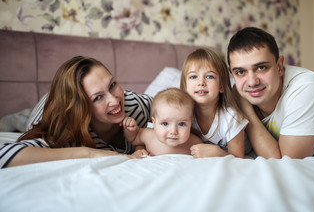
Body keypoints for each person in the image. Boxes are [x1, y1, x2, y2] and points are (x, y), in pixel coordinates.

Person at [227, 27, 314, 159]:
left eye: (261, 68)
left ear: (279, 67)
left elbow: (287, 160)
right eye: (240, 72)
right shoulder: (229, 91)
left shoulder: (308, 89)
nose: (251, 82)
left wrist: (246, 111)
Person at [0, 56, 152, 169]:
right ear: (81, 108)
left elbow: (173, 103)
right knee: (27, 122)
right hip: (51, 107)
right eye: (98, 97)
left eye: (112, 84)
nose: (115, 100)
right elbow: (5, 154)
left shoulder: (133, 105)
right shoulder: (65, 130)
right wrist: (89, 153)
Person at [180, 48, 251, 158]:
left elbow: (238, 157)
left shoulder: (230, 117)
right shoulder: (183, 115)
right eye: (193, 76)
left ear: (221, 86)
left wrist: (218, 154)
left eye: (209, 76)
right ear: (185, 87)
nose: (201, 83)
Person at [122, 88, 202, 155]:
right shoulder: (149, 136)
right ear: (154, 123)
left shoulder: (195, 142)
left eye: (181, 124)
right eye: (165, 123)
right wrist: (130, 129)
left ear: (190, 123)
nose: (173, 131)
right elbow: (133, 138)